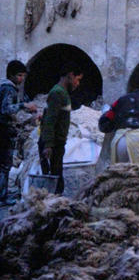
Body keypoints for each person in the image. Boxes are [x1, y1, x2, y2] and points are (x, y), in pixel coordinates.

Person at [38, 63, 83, 195]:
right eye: (77, 79)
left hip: (56, 143)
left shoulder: (62, 93)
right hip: (53, 145)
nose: (77, 83)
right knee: (54, 182)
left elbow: (50, 116)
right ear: (70, 75)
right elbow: (50, 121)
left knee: (56, 180)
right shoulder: (58, 93)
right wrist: (48, 145)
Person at [0, 61, 37, 205]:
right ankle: (2, 197)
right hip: (3, 130)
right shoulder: (9, 88)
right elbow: (6, 109)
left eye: (23, 76)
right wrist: (24, 106)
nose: (21, 79)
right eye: (19, 76)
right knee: (4, 165)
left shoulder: (3, 86)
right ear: (11, 75)